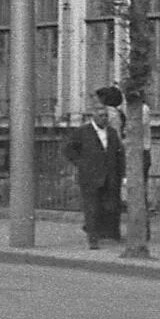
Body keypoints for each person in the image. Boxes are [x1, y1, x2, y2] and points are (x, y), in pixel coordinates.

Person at [67, 93, 125, 249]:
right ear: (94, 117)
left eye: (105, 116)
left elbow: (119, 153)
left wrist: (121, 173)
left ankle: (104, 232)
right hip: (90, 176)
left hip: (109, 176)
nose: (104, 119)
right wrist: (81, 163)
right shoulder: (83, 132)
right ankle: (93, 239)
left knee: (108, 206)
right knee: (91, 207)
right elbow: (69, 149)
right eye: (100, 116)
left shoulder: (111, 133)